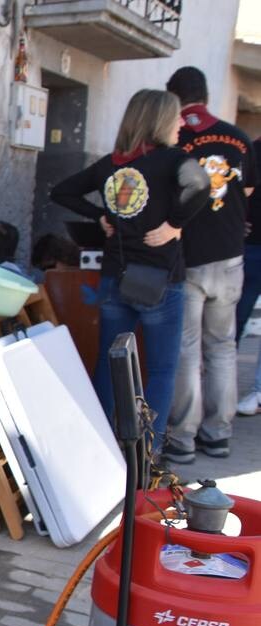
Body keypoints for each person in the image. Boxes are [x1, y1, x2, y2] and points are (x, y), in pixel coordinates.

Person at [51, 88, 209, 453]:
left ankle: (100, 444)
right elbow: (200, 183)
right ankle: (146, 453)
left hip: (115, 279)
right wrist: (174, 224)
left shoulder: (112, 164)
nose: (182, 124)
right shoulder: (172, 160)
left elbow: (62, 192)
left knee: (109, 363)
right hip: (160, 283)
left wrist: (101, 216)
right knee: (161, 370)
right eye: (176, 118)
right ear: (159, 121)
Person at [160, 67, 256, 462]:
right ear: (206, 95)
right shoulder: (239, 137)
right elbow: (246, 190)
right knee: (222, 347)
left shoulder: (174, 137)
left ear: (174, 99)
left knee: (187, 348)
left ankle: (182, 439)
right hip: (232, 254)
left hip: (190, 257)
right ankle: (218, 435)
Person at [234, 136, 261, 415]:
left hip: (249, 248)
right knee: (235, 320)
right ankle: (222, 394)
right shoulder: (248, 149)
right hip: (250, 248)